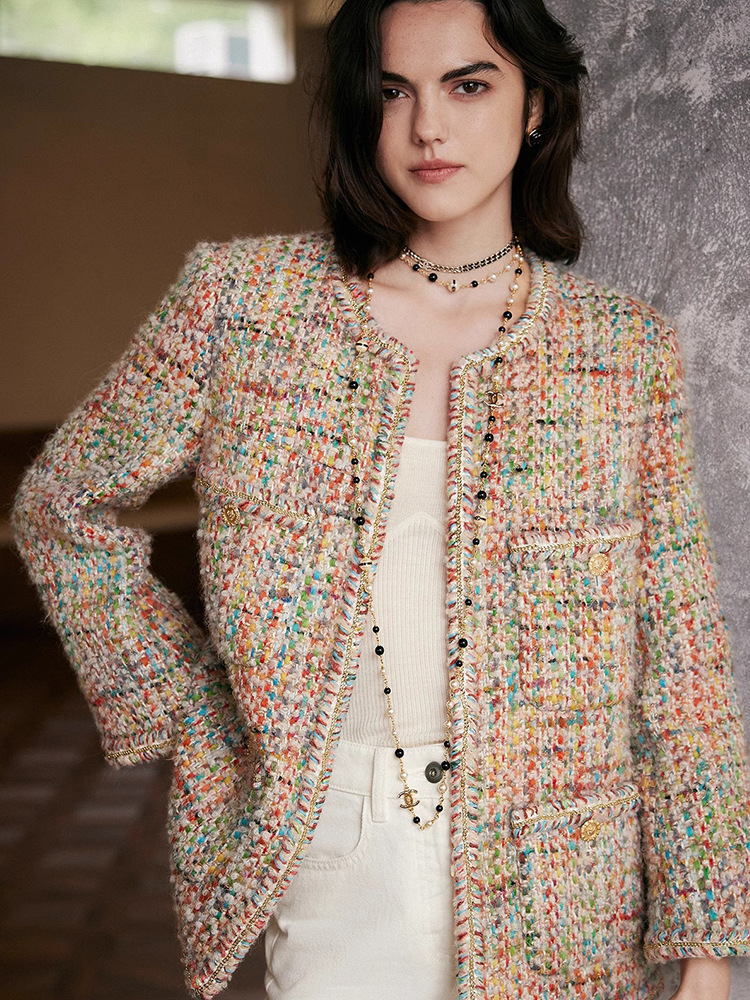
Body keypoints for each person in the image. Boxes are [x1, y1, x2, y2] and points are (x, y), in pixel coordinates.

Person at [12, 0, 750, 998]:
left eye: (468, 85)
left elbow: (681, 658)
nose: (427, 127)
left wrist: (706, 937)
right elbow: (62, 504)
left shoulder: (621, 349)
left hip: (569, 875)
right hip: (336, 840)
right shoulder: (244, 304)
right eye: (394, 91)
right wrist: (186, 705)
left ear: (536, 104)